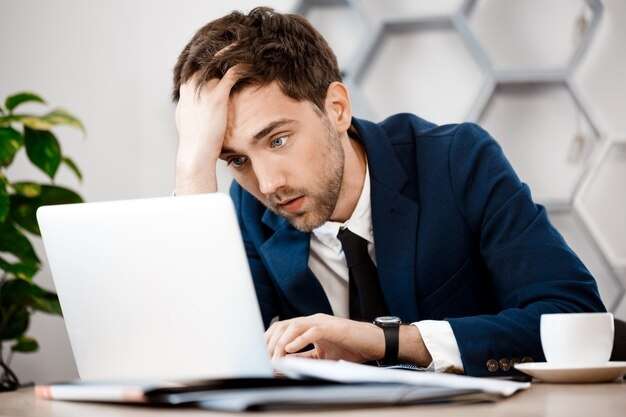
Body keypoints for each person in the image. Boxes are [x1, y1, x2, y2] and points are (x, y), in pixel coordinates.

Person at [171, 7, 606, 377]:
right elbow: (200, 358)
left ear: (336, 109)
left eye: (278, 140)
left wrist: (391, 341)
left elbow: (574, 315)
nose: (268, 184)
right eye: (236, 160)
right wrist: (192, 169)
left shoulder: (457, 161)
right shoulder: (250, 207)